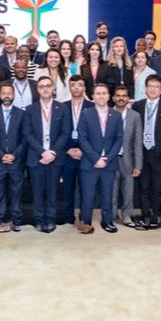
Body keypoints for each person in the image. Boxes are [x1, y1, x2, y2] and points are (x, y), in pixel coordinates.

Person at [76, 82, 123, 234]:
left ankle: (107, 221)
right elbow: (82, 139)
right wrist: (95, 159)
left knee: (107, 194)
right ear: (93, 97)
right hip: (90, 163)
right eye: (98, 93)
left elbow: (119, 139)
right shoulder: (85, 114)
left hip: (109, 163)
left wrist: (107, 158)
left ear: (109, 96)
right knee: (87, 195)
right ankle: (86, 222)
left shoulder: (116, 115)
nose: (101, 96)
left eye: (104, 93)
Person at [23, 75, 68, 232]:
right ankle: (39, 219)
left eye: (48, 86)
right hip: (36, 157)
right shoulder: (30, 109)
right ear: (38, 89)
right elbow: (27, 133)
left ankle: (50, 219)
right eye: (42, 86)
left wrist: (52, 152)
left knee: (52, 191)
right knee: (37, 191)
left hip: (55, 157)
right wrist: (42, 152)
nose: (45, 89)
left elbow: (65, 133)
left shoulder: (62, 108)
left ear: (53, 88)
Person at [132, 75, 161, 229]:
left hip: (159, 155)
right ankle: (145, 215)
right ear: (145, 88)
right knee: (143, 187)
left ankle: (156, 215)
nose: (153, 89)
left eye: (156, 87)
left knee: (157, 188)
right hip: (141, 153)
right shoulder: (137, 106)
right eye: (150, 86)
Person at [0, 82, 27, 232]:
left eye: (10, 93)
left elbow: (25, 138)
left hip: (16, 161)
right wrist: (1, 155)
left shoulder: (22, 114)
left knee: (16, 192)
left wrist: (14, 155)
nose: (7, 96)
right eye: (4, 93)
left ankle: (16, 220)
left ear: (14, 95)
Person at [61, 75, 94, 226]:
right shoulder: (62, 106)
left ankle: (84, 217)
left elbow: (94, 132)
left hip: (84, 154)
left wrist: (83, 150)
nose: (76, 87)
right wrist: (68, 148)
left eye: (80, 84)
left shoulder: (91, 106)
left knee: (85, 188)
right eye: (73, 84)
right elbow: (58, 130)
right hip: (67, 153)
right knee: (68, 188)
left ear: (84, 88)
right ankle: (68, 217)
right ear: (69, 87)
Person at [111, 85, 142, 228]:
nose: (121, 98)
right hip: (111, 159)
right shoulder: (107, 113)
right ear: (113, 98)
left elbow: (137, 142)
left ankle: (127, 215)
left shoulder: (135, 116)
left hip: (128, 159)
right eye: (118, 95)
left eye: (124, 96)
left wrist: (138, 164)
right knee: (111, 189)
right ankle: (111, 216)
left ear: (128, 98)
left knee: (128, 189)